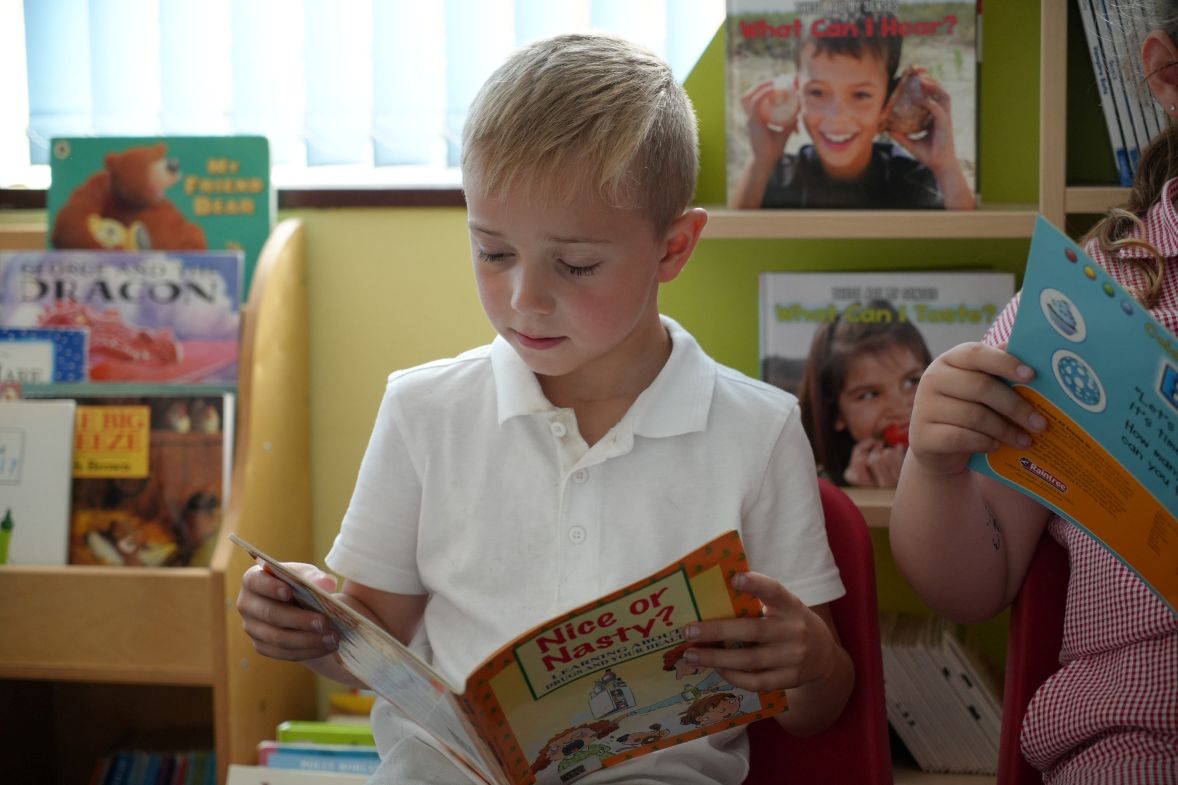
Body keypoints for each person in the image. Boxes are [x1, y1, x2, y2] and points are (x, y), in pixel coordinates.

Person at [236, 31, 854, 785]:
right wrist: (309, 625)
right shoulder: (423, 409)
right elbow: (370, 639)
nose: (524, 298)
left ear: (674, 248)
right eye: (493, 253)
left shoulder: (758, 430)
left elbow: (819, 706)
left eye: (576, 264)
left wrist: (811, 661)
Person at [889, 4, 1178, 782]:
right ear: (1169, 78)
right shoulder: (1095, 298)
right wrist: (936, 462)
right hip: (1143, 731)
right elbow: (971, 583)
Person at [729, 6, 976, 210]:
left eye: (861, 95)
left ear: (889, 99)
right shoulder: (771, 178)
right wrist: (760, 160)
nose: (837, 116)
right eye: (817, 92)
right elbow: (737, 240)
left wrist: (946, 167)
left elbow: (969, 240)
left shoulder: (916, 181)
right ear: (797, 91)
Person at [798, 300, 932, 488]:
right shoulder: (812, 489)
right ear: (836, 413)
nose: (900, 409)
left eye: (912, 381)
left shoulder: (968, 465)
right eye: (870, 394)